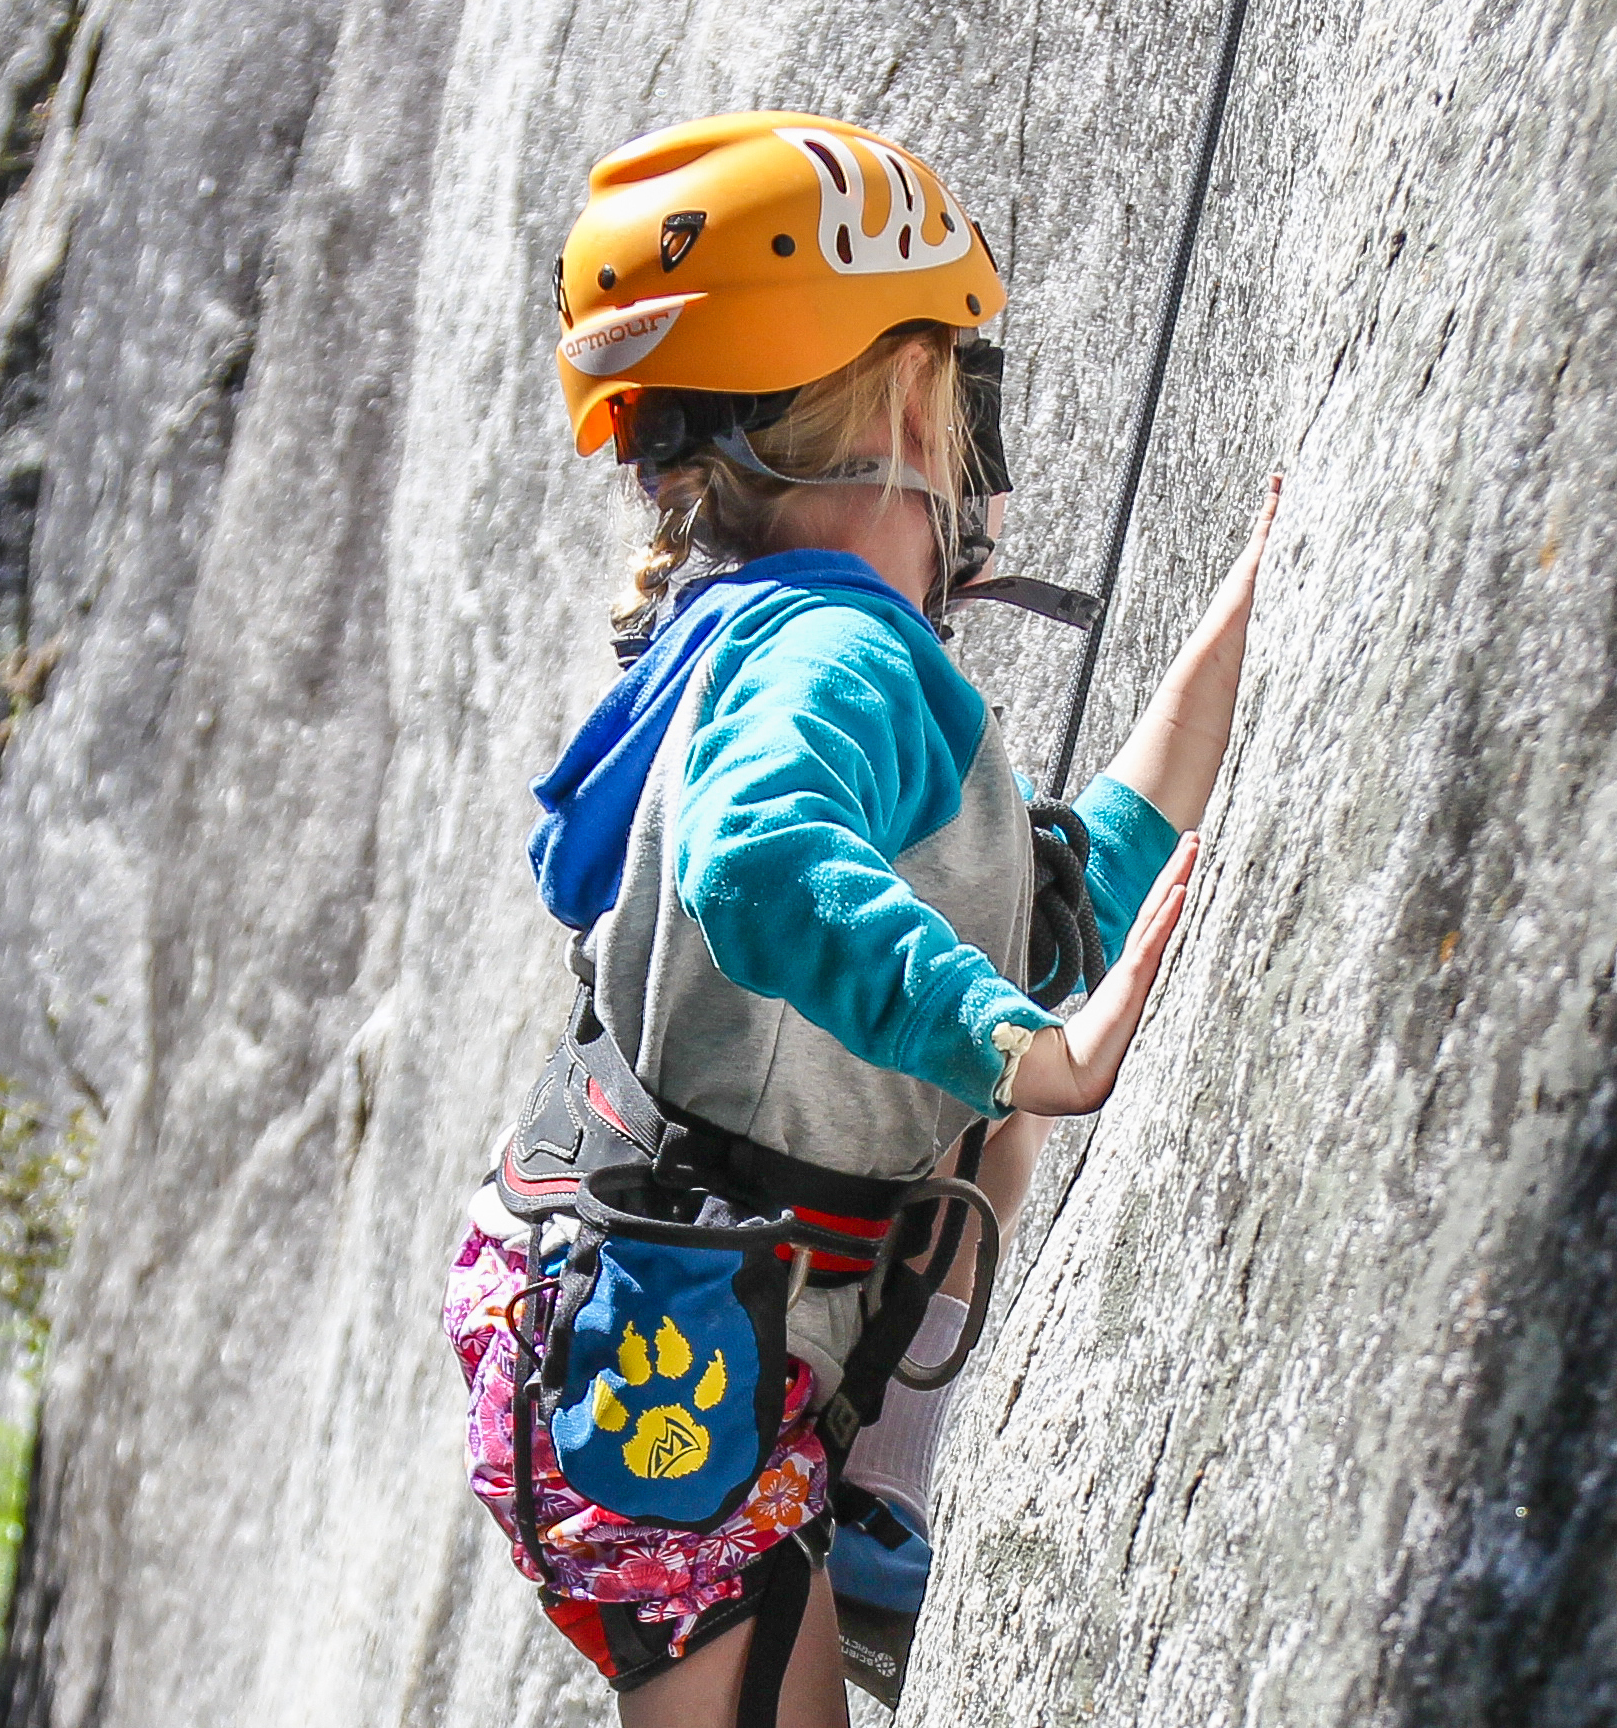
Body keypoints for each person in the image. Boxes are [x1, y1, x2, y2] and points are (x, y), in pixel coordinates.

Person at [438, 111, 1270, 1727]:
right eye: (973, 391)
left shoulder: (765, 641)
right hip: (675, 1370)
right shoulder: (835, 658)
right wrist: (1018, 1045)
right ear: (905, 399)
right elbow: (760, 865)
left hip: (665, 1318)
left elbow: (1044, 912)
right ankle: (867, 1495)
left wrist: (1238, 642)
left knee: (968, 1111)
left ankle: (873, 1498)